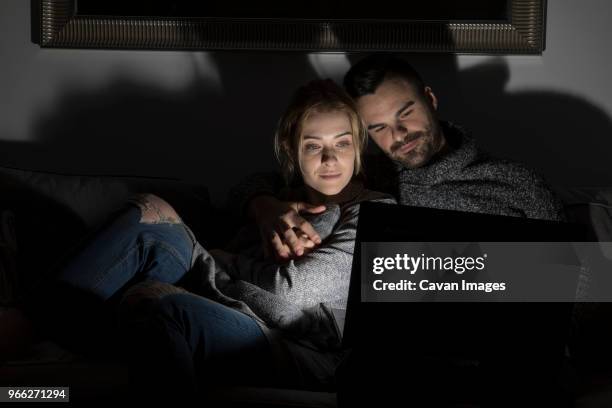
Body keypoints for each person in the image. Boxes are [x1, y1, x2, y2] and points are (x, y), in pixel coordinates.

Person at [46, 79, 394, 399]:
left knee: (164, 308)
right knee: (147, 213)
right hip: (241, 307)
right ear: (291, 150)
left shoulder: (374, 209)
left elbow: (292, 290)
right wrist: (263, 205)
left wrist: (220, 259)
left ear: (358, 147)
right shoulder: (272, 194)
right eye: (313, 145)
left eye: (343, 144)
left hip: (307, 350)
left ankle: (51, 328)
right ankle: (36, 326)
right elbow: (244, 188)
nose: (330, 159)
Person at [239, 54, 566, 260]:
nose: (397, 135)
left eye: (405, 114)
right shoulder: (370, 176)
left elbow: (581, 287)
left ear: (430, 99)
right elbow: (258, 182)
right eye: (378, 128)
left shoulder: (515, 181)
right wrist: (265, 206)